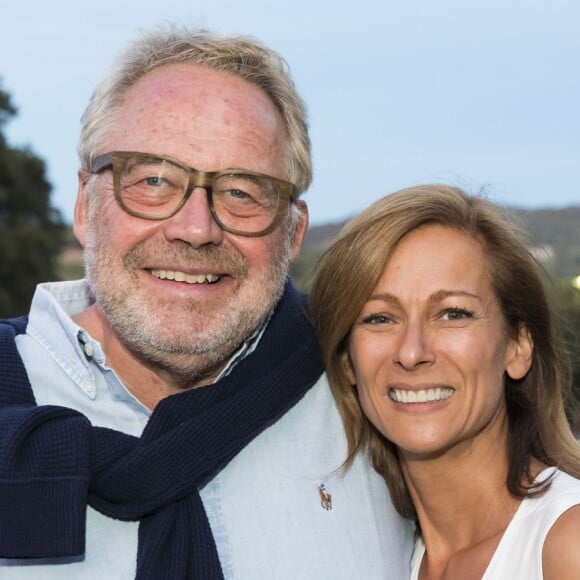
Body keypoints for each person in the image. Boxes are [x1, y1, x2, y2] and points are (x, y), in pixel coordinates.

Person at [0, 25, 413, 579]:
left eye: (242, 192)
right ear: (84, 206)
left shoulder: (376, 399)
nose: (195, 229)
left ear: (292, 235)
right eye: (152, 181)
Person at [310, 184, 580, 579]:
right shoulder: (394, 560)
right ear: (349, 363)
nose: (412, 351)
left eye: (453, 313)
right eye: (380, 318)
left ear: (518, 347)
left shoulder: (566, 544)